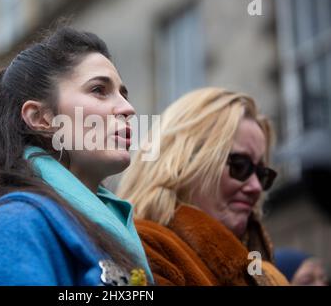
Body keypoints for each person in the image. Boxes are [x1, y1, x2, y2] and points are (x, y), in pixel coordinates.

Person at [0, 27, 153, 286]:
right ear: (41, 118)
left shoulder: (106, 226)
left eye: (123, 94)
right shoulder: (15, 228)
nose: (128, 108)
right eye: (99, 90)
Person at [117, 87, 288, 285]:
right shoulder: (145, 248)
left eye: (262, 174)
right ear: (185, 162)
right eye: (240, 166)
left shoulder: (260, 264)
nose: (256, 187)